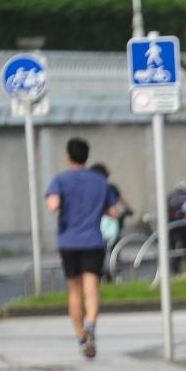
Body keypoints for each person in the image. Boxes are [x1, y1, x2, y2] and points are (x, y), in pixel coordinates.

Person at [46, 138, 119, 359]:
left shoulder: (60, 180)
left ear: (68, 157)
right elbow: (113, 212)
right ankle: (92, 326)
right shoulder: (100, 182)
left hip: (69, 242)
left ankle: (80, 337)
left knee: (75, 291)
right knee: (92, 289)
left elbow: (53, 206)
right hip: (93, 241)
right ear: (87, 156)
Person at [89, 162, 131, 274]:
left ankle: (106, 267)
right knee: (113, 244)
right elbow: (119, 203)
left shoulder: (90, 188)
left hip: (94, 226)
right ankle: (113, 266)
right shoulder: (109, 187)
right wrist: (128, 210)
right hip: (109, 223)